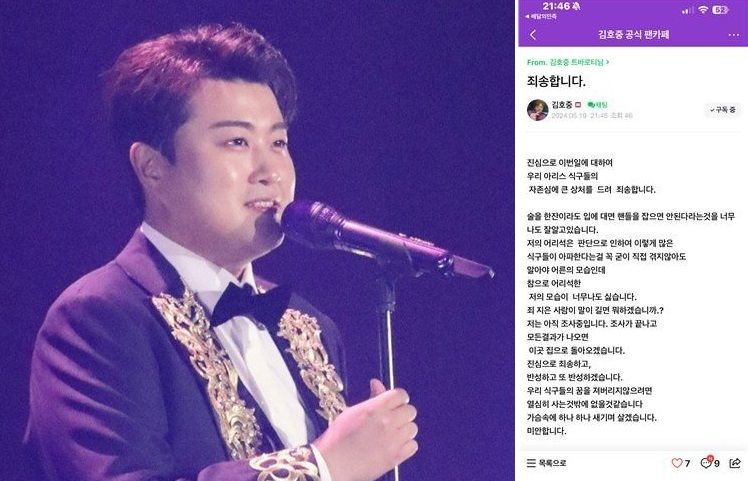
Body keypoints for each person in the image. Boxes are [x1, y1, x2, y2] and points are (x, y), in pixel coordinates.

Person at [25, 23, 418, 481]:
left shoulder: (308, 325)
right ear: (152, 167)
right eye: (237, 142)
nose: (271, 171)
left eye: (278, 142)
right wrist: (323, 466)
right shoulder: (97, 317)